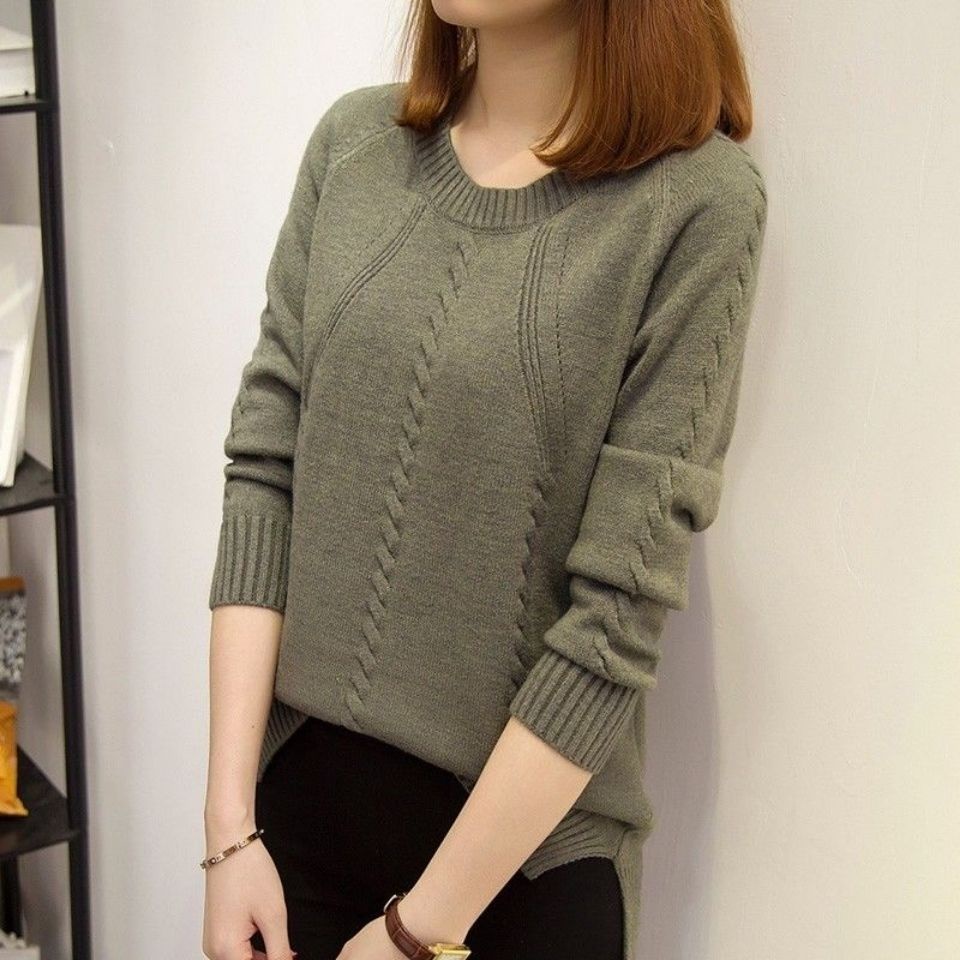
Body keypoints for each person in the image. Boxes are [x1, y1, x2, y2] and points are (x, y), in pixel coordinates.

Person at [201, 2, 768, 959]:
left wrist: (417, 933)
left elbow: (615, 617)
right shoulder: (352, 146)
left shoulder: (697, 203)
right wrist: (228, 830)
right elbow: (264, 475)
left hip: (517, 881)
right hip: (286, 841)